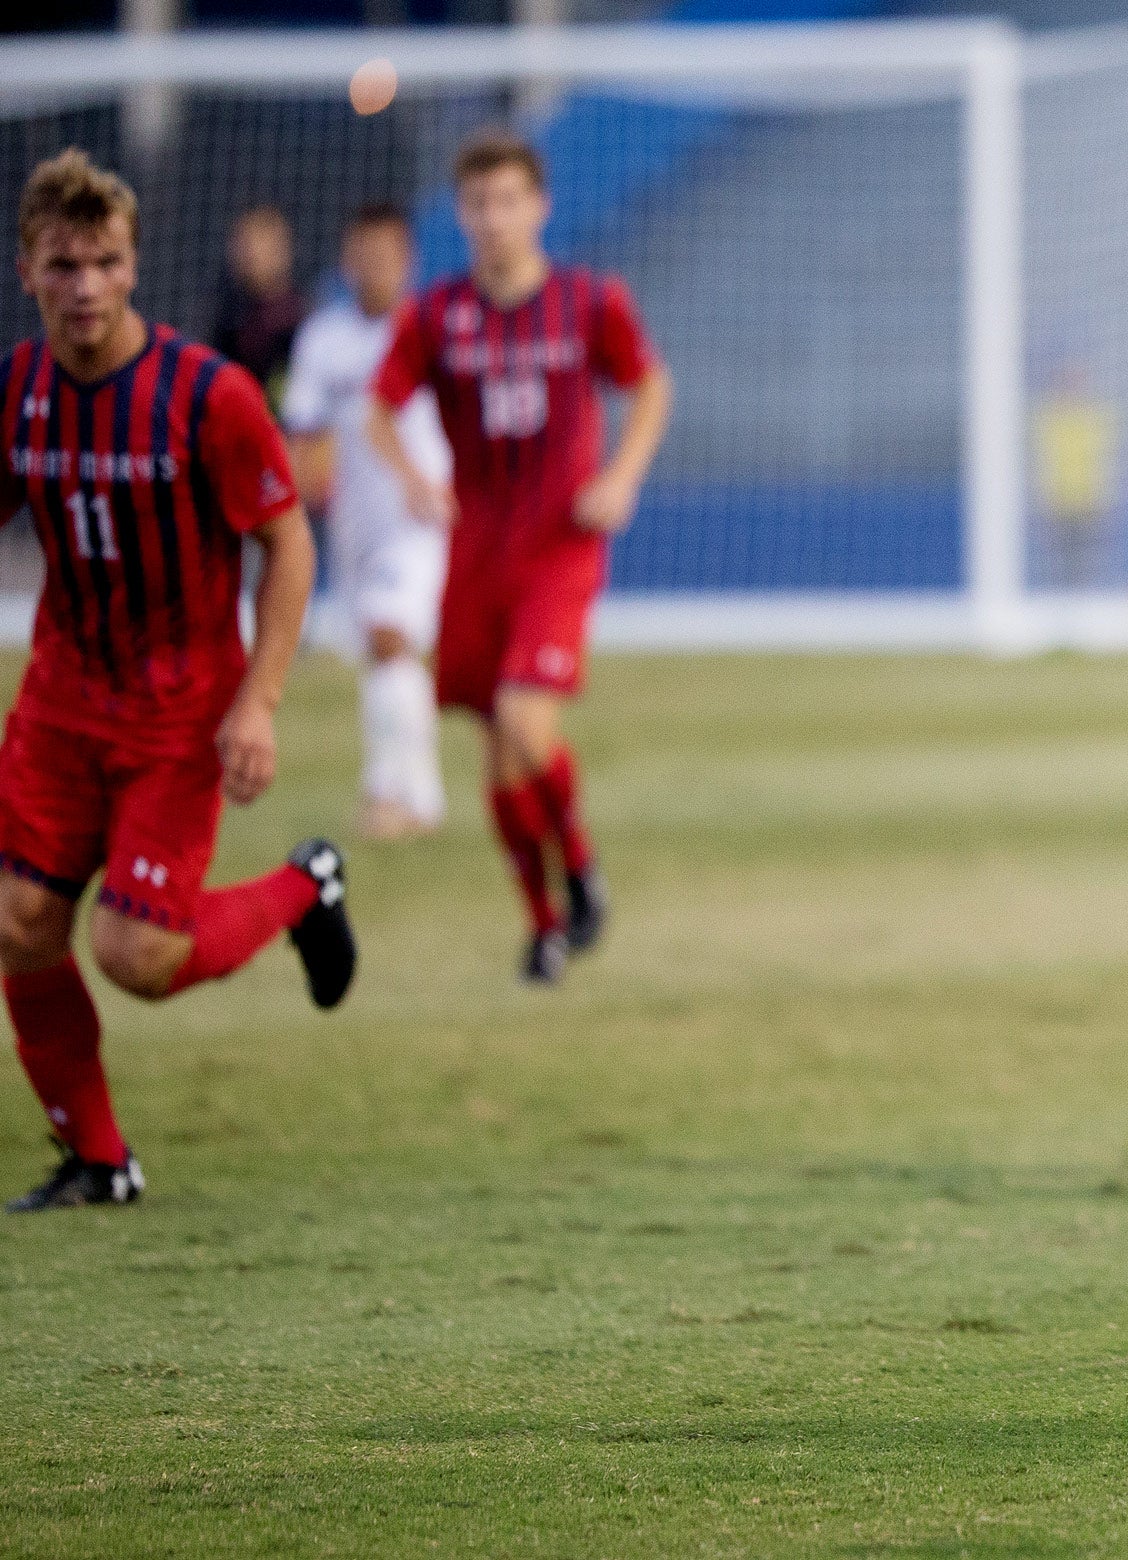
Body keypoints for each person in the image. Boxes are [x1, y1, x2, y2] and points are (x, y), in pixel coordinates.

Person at [1, 149, 357, 1212]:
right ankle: (100, 1161)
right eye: (63, 265)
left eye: (105, 262)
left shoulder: (209, 395)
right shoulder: (16, 391)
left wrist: (259, 698)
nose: (85, 286)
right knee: (20, 922)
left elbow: (286, 545)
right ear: (28, 270)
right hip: (62, 701)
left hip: (177, 714)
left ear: (135, 266)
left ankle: (305, 887)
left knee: (137, 956)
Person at [367, 129, 672, 984]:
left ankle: (577, 864)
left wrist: (622, 475)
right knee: (499, 752)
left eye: (509, 201)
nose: (495, 219)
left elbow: (650, 383)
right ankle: (542, 923)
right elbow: (378, 408)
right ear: (461, 215)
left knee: (523, 722)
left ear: (539, 207)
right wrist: (414, 479)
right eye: (478, 204)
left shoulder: (587, 301)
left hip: (559, 549)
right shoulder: (438, 314)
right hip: (477, 556)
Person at [284, 205, 454, 841]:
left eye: (387, 254)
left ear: (408, 258)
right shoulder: (323, 340)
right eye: (364, 253)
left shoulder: (436, 328)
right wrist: (304, 499)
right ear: (346, 260)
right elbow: (305, 433)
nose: (375, 267)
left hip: (422, 514)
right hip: (355, 523)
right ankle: (424, 794)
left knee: (388, 635)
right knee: (389, 653)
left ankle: (386, 792)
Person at [212, 204, 303, 408]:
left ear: (282, 252)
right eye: (244, 245)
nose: (251, 255)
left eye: (260, 244)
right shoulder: (228, 318)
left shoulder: (300, 321)